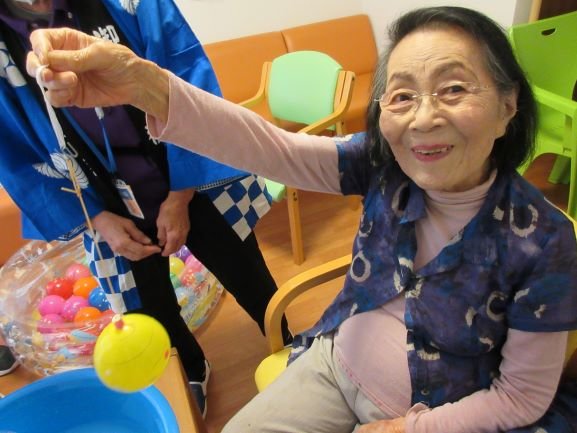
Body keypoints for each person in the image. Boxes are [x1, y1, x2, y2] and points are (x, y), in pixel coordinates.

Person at [26, 5, 577, 433]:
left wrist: (408, 428)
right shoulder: (382, 163)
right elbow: (273, 149)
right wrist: (142, 83)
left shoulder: (544, 243)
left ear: (508, 106)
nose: (424, 118)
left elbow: (521, 397)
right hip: (334, 365)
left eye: (454, 88)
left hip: (437, 415)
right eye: (402, 96)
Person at [0, 0, 291, 417]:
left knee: (247, 273)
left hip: (187, 172)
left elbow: (185, 73)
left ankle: (287, 342)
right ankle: (190, 370)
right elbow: (13, 153)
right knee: (149, 306)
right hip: (103, 200)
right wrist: (98, 219)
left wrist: (181, 194)